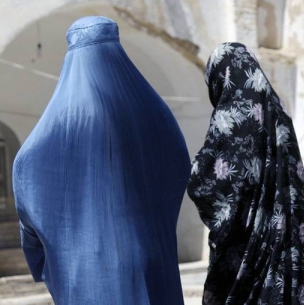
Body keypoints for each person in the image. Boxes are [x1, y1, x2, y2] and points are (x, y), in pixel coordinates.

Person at [12, 16, 190, 305]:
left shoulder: (47, 136)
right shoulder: (156, 116)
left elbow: (27, 194)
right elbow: (180, 171)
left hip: (85, 280)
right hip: (154, 270)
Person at [187, 43, 304, 304]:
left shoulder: (228, 118)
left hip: (245, 254)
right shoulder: (279, 115)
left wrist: (195, 168)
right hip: (282, 244)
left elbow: (209, 187)